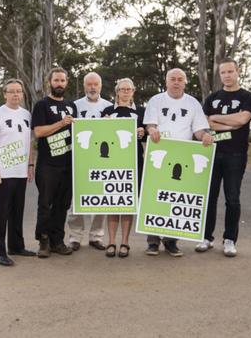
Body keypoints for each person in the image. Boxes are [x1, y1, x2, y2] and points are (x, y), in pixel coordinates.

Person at [143, 68, 213, 257]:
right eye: (172, 79)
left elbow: (198, 130)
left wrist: (205, 136)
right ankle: (153, 241)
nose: (176, 82)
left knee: (175, 198)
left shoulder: (193, 103)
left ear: (185, 82)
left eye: (180, 79)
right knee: (156, 197)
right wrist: (152, 130)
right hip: (160, 154)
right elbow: (150, 124)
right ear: (166, 82)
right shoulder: (156, 101)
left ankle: (172, 241)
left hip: (183, 157)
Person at [197, 58, 251, 257]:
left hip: (236, 154)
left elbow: (243, 119)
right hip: (212, 153)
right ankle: (206, 237)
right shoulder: (212, 98)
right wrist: (230, 125)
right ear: (219, 75)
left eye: (230, 71)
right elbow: (206, 122)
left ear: (237, 71)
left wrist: (217, 118)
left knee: (232, 198)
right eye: (223, 72)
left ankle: (230, 240)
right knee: (210, 197)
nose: (227, 75)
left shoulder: (247, 97)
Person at [0, 78, 36, 267]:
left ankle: (16, 246)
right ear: (4, 93)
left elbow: (28, 142)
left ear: (22, 94)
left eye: (19, 91)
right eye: (12, 91)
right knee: (1, 214)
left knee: (17, 212)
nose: (16, 94)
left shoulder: (26, 114)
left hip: (21, 172)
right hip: (3, 173)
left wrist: (30, 165)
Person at [32, 67, 77, 258]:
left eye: (63, 80)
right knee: (45, 204)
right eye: (56, 80)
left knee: (62, 205)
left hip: (68, 164)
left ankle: (58, 240)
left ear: (67, 83)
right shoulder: (42, 105)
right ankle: (43, 242)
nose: (60, 84)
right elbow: (38, 132)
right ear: (49, 82)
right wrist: (61, 124)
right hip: (47, 164)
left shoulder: (71, 106)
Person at [100, 78, 146, 258]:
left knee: (128, 202)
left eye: (129, 89)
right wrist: (103, 124)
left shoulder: (142, 112)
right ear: (117, 91)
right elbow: (101, 135)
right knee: (113, 201)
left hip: (134, 162)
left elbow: (149, 136)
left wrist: (143, 132)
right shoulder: (107, 111)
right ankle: (111, 241)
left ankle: (125, 242)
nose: (126, 92)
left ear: (133, 91)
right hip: (112, 162)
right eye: (122, 89)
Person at [68, 72, 112, 252]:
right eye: (89, 84)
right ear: (84, 86)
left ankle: (96, 236)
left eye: (96, 84)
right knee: (76, 200)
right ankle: (75, 237)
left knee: (101, 199)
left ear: (101, 86)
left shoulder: (110, 106)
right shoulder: (74, 106)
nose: (93, 87)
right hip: (80, 159)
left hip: (102, 159)